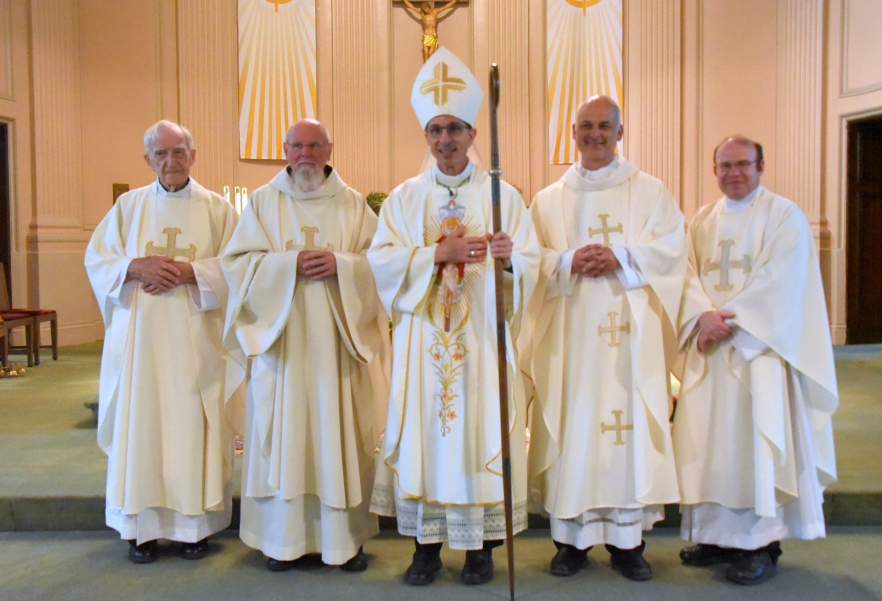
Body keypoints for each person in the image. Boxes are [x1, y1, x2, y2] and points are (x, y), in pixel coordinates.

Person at [367, 46, 540, 587]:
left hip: (482, 345)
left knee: (478, 432)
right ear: (426, 135)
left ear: (471, 134)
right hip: (426, 344)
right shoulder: (403, 198)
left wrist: (511, 259)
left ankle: (482, 547)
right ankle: (425, 546)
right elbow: (381, 262)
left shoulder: (502, 194)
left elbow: (529, 266)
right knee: (428, 436)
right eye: (436, 129)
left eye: (456, 129)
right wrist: (434, 256)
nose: (445, 139)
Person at [526, 96, 686, 581]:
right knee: (573, 425)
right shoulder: (549, 199)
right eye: (585, 126)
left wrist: (622, 257)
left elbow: (673, 251)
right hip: (570, 341)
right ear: (573, 133)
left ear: (621, 132)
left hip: (630, 343)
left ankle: (627, 542)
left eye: (604, 126)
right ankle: (570, 542)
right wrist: (568, 261)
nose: (594, 134)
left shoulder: (651, 192)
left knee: (627, 428)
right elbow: (532, 261)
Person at [222, 119, 390, 573]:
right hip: (282, 348)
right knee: (285, 436)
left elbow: (383, 264)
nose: (306, 154)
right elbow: (235, 266)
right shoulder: (262, 202)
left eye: (315, 145)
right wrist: (286, 265)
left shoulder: (354, 206)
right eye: (297, 146)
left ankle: (345, 542)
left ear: (329, 148)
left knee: (340, 438)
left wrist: (343, 264)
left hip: (338, 350)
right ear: (285, 150)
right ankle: (281, 541)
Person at [673, 135, 839, 585]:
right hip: (709, 350)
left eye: (743, 164)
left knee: (754, 443)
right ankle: (713, 535)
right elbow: (684, 275)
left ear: (761, 166)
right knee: (707, 444)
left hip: (759, 352)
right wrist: (701, 315)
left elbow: (783, 281)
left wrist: (729, 321)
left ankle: (761, 543)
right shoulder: (703, 220)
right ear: (715, 171)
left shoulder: (784, 215)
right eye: (724, 165)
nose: (733, 173)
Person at [85, 120, 244, 564]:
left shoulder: (218, 210)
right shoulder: (127, 207)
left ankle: (194, 528)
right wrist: (136, 267)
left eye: (178, 152)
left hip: (198, 344)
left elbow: (239, 267)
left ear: (193, 156)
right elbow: (98, 260)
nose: (170, 162)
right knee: (144, 425)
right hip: (142, 349)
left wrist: (193, 272)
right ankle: (141, 529)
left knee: (192, 426)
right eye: (160, 154)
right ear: (148, 159)